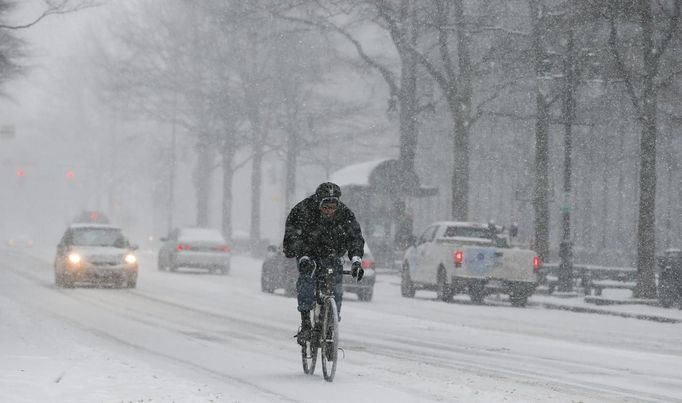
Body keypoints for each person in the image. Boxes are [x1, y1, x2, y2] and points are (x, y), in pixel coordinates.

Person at [283, 182, 365, 345]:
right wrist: (302, 255)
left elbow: (355, 237)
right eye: (325, 207)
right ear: (318, 202)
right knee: (307, 280)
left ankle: (331, 325)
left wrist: (356, 260)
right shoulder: (302, 210)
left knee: (336, 289)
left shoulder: (345, 214)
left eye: (333, 207)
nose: (329, 211)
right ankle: (306, 323)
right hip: (309, 254)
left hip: (333, 254)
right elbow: (292, 236)